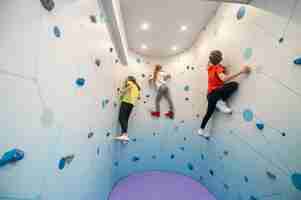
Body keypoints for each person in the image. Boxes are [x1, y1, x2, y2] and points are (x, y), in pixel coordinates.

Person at [198, 50, 251, 138]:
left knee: (209, 113)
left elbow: (209, 62)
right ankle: (220, 103)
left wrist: (221, 66)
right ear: (219, 59)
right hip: (215, 93)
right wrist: (241, 71)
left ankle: (201, 129)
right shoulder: (217, 68)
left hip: (209, 96)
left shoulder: (209, 68)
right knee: (234, 84)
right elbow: (224, 79)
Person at [115, 76, 141, 141]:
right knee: (125, 119)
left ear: (130, 79)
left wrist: (122, 91)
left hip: (126, 102)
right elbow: (139, 97)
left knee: (121, 118)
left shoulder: (130, 83)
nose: (126, 80)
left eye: (126, 79)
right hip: (131, 104)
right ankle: (124, 135)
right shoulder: (137, 88)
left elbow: (129, 86)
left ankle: (124, 134)